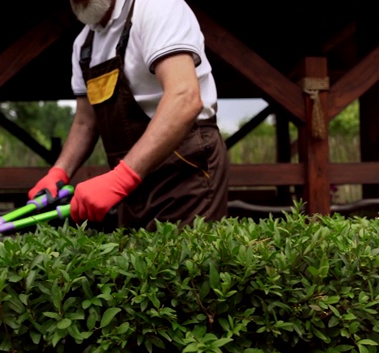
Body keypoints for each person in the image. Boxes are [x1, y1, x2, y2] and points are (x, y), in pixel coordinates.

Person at [28, 0, 229, 231]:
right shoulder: (84, 44)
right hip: (132, 180)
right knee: (138, 264)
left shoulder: (157, 7)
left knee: (182, 264)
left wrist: (121, 179)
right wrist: (59, 172)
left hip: (185, 171)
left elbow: (184, 98)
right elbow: (85, 122)